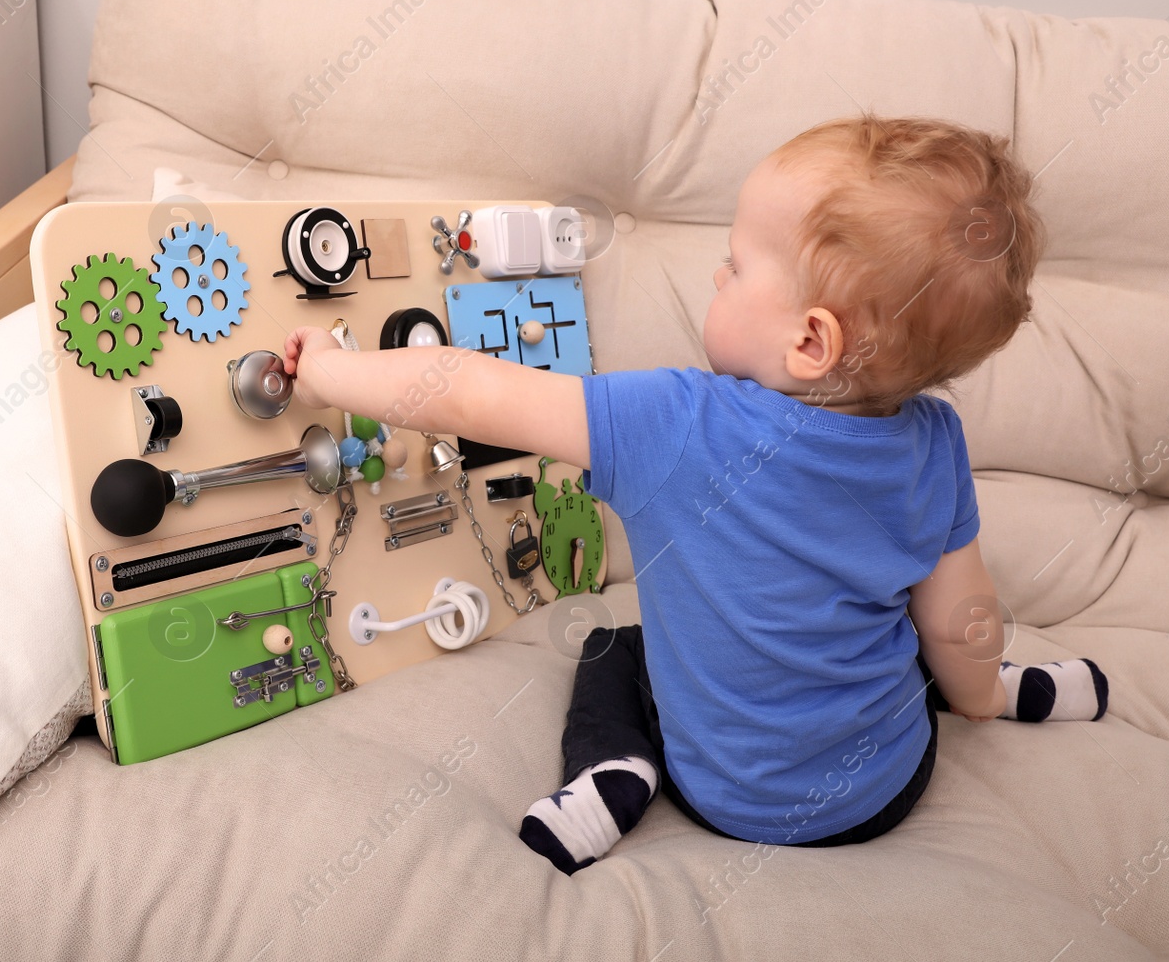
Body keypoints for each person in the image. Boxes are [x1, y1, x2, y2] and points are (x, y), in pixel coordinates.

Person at [280, 113, 1108, 874]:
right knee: (917, 649)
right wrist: (979, 693)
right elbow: (960, 618)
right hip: (880, 791)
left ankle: (611, 770)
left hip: (725, 798)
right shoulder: (934, 441)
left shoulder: (673, 421)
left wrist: (330, 369)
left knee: (615, 647)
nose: (719, 272)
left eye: (738, 266)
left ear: (811, 339)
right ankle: (1021, 691)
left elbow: (463, 389)